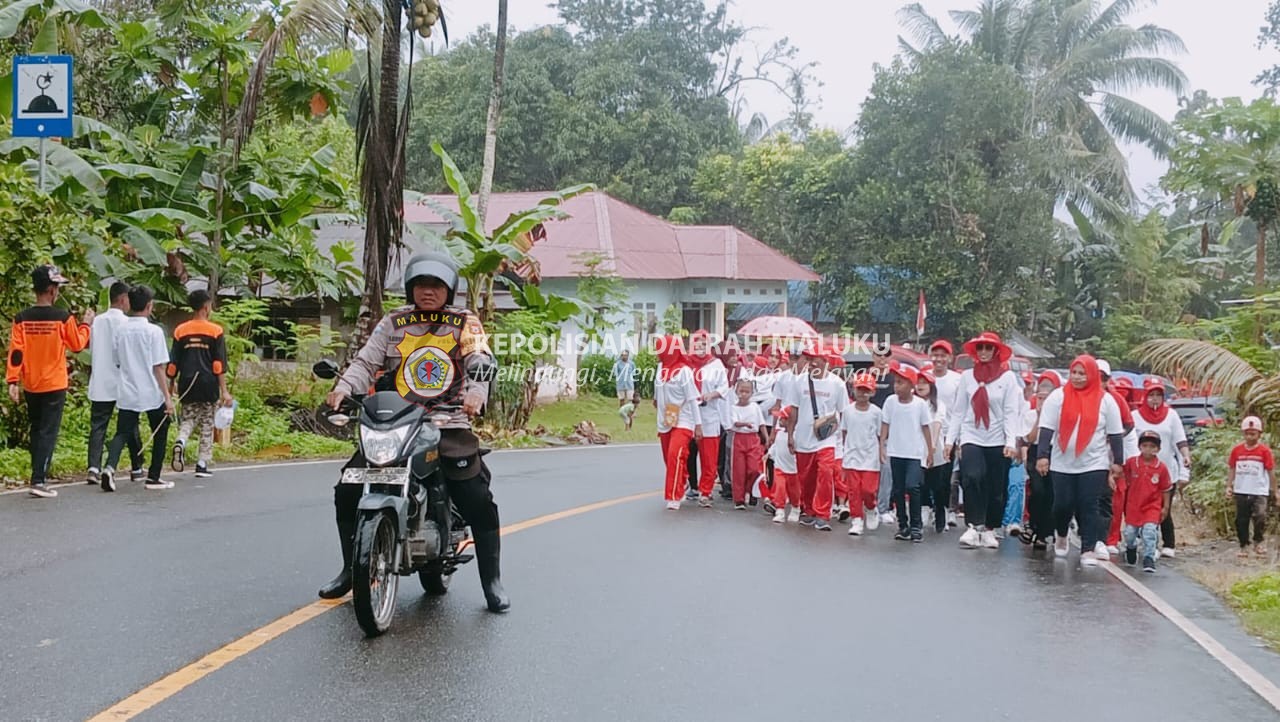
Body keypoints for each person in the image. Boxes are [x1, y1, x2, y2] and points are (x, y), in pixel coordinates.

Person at [321, 252, 510, 613]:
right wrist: (344, 388)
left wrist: (476, 392)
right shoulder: (393, 321)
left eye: (436, 285)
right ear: (410, 287)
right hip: (394, 421)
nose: (428, 291)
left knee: (474, 495)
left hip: (448, 420)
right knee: (347, 488)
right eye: (421, 284)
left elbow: (480, 359)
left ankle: (492, 582)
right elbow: (366, 361)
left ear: (449, 289)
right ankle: (350, 569)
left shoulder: (464, 322)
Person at [5, 264, 93, 498]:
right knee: (48, 431)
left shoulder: (21, 318)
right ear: (52, 290)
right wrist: (86, 325)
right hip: (54, 383)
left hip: (31, 382)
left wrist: (13, 381)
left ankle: (38, 473)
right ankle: (39, 480)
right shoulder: (63, 317)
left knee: (37, 430)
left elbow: (16, 352)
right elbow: (77, 345)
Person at [1035, 355, 1125, 567]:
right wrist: (1042, 456)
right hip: (1062, 462)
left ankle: (1088, 548)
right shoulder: (1058, 397)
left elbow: (1115, 434)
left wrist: (1118, 462)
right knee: (1062, 505)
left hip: (1093, 463)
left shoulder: (1106, 400)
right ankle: (1062, 533)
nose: (1076, 377)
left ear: (1092, 375)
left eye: (1082, 373)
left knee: (1088, 505)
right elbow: (1046, 428)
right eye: (1074, 372)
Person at [946, 332, 1022, 549]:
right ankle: (973, 525)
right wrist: (950, 441)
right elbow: (959, 410)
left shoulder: (1007, 378)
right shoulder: (967, 377)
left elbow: (1010, 411)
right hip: (972, 435)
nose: (984, 353)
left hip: (997, 438)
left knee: (996, 486)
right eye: (980, 348)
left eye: (989, 348)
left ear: (996, 351)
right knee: (972, 476)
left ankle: (990, 528)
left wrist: (1010, 441)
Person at [100, 285, 174, 492]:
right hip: (151, 390)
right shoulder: (154, 331)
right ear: (149, 306)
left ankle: (109, 467)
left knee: (122, 432)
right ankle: (154, 476)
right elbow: (158, 367)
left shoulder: (120, 330)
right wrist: (167, 397)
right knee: (160, 429)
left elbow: (116, 361)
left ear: (129, 303)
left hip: (127, 389)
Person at [168, 289, 233, 478]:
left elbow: (173, 364)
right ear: (206, 307)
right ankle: (202, 463)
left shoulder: (180, 330)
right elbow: (218, 364)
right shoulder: (215, 330)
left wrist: (171, 387)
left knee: (188, 418)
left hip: (187, 382)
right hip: (208, 382)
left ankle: (181, 440)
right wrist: (225, 391)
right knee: (206, 422)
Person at [783, 344, 848, 532]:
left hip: (826, 439)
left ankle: (823, 514)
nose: (810, 363)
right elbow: (793, 409)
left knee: (826, 473)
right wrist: (790, 434)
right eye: (808, 359)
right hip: (803, 438)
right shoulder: (799, 382)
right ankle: (810, 510)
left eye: (814, 359)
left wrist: (844, 440)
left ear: (825, 361)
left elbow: (844, 413)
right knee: (807, 478)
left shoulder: (837, 384)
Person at [87, 281, 144, 485]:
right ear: (123, 299)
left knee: (98, 426)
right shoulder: (126, 323)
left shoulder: (98, 321)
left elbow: (93, 349)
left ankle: (93, 467)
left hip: (100, 381)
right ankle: (137, 466)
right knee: (129, 425)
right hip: (122, 382)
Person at [1132, 378, 1190, 559]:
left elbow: (1180, 441)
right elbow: (1130, 443)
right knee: (1145, 508)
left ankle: (1169, 542)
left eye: (1158, 395)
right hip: (1142, 473)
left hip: (1165, 472)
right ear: (1145, 396)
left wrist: (1184, 468)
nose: (1155, 399)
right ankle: (1149, 543)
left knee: (1163, 508)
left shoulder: (1171, 415)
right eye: (1151, 395)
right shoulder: (1135, 416)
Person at [880, 363, 933, 542]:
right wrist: (882, 446)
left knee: (913, 487)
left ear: (911, 386)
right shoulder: (890, 402)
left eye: (901, 382)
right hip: (896, 451)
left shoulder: (920, 405)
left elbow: (926, 428)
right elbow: (885, 424)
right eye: (896, 382)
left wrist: (930, 451)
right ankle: (903, 525)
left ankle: (916, 526)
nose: (897, 386)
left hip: (914, 453)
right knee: (898, 489)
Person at [655, 335, 703, 511]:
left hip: (684, 419)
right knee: (669, 458)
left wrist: (698, 425)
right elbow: (657, 395)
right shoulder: (660, 368)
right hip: (667, 418)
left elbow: (692, 400)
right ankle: (681, 482)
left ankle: (673, 496)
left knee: (676, 455)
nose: (658, 353)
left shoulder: (685, 371)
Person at [1097, 359, 1137, 559]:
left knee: (1114, 498)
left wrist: (1114, 438)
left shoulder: (1115, 399)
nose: (1099, 381)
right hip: (1087, 456)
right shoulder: (1078, 395)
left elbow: (1129, 424)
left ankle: (1110, 539)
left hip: (1111, 453)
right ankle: (1092, 537)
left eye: (1102, 378)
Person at [1122, 431, 1173, 572]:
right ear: (1139, 447)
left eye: (1152, 446)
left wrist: (1166, 507)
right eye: (1145, 445)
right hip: (1134, 506)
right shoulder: (1132, 463)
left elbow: (1166, 488)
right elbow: (1122, 477)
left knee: (1150, 532)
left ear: (1158, 449)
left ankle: (1149, 558)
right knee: (1130, 533)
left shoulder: (1161, 468)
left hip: (1152, 506)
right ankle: (1131, 548)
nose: (1148, 449)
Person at [688, 329, 728, 507]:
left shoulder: (716, 364)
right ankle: (690, 485)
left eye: (704, 344)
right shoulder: (686, 364)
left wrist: (711, 395)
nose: (700, 347)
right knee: (687, 455)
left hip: (709, 415)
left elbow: (724, 387)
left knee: (709, 457)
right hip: (688, 416)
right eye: (697, 344)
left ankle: (706, 491)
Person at [1226, 416, 1276, 559]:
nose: (1250, 437)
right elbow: (1232, 469)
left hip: (1259, 490)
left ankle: (1258, 541)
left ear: (1259, 434)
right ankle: (1243, 545)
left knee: (1260, 516)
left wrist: (1275, 491)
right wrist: (1229, 486)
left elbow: (1271, 471)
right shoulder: (1237, 451)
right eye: (1247, 433)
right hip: (1241, 490)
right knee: (1241, 519)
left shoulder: (1264, 451)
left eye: (1253, 434)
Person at [1024, 371, 1061, 550]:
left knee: (1051, 494)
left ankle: (1044, 533)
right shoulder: (1030, 415)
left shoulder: (1060, 415)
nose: (1043, 402)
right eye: (1040, 398)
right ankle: (1033, 523)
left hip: (1055, 453)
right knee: (1037, 490)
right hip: (1036, 452)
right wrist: (1040, 417)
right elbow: (1029, 439)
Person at [840, 374, 882, 536]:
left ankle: (871, 508)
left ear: (872, 393)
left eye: (866, 390)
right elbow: (845, 432)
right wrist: (846, 452)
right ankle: (856, 519)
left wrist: (880, 453)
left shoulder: (876, 413)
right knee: (854, 492)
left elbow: (880, 435)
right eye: (860, 389)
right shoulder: (848, 411)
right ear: (854, 390)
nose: (862, 393)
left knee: (868, 490)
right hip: (852, 457)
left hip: (870, 457)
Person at [1003, 372, 1037, 537]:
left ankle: (1013, 521)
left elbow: (1025, 435)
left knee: (1016, 485)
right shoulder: (999, 403)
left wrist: (1021, 450)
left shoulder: (1027, 408)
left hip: (1016, 453)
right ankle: (994, 522)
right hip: (997, 449)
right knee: (999, 487)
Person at [916, 370, 949, 533]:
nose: (920, 385)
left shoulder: (938, 405)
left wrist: (932, 446)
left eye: (924, 382)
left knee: (937, 485)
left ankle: (940, 511)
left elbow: (937, 424)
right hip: (916, 448)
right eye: (918, 382)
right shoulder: (913, 403)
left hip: (934, 450)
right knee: (920, 482)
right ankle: (924, 508)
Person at [729, 378, 767, 509]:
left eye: (747, 391)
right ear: (736, 391)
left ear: (752, 393)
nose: (744, 394)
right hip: (739, 438)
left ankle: (751, 491)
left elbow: (761, 423)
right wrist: (745, 424)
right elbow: (734, 423)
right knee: (739, 470)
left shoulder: (755, 407)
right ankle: (739, 499)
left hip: (753, 439)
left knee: (754, 468)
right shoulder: (734, 408)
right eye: (741, 391)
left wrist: (767, 439)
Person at [767, 408, 801, 523]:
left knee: (794, 491)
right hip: (779, 467)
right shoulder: (779, 434)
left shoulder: (797, 435)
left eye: (783, 418)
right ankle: (780, 510)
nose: (780, 420)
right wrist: (769, 454)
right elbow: (776, 446)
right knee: (779, 488)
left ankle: (795, 508)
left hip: (793, 469)